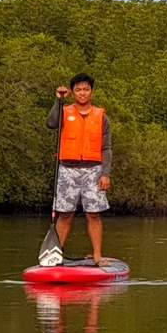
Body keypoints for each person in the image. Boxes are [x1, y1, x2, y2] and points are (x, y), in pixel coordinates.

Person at [47, 74, 112, 265]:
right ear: (73, 92)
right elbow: (51, 123)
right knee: (65, 214)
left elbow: (107, 148)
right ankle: (56, 255)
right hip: (67, 170)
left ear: (91, 91)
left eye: (86, 89)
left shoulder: (102, 117)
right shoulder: (64, 112)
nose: (82, 93)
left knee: (94, 214)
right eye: (78, 89)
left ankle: (98, 255)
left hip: (94, 170)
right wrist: (58, 101)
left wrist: (106, 174)